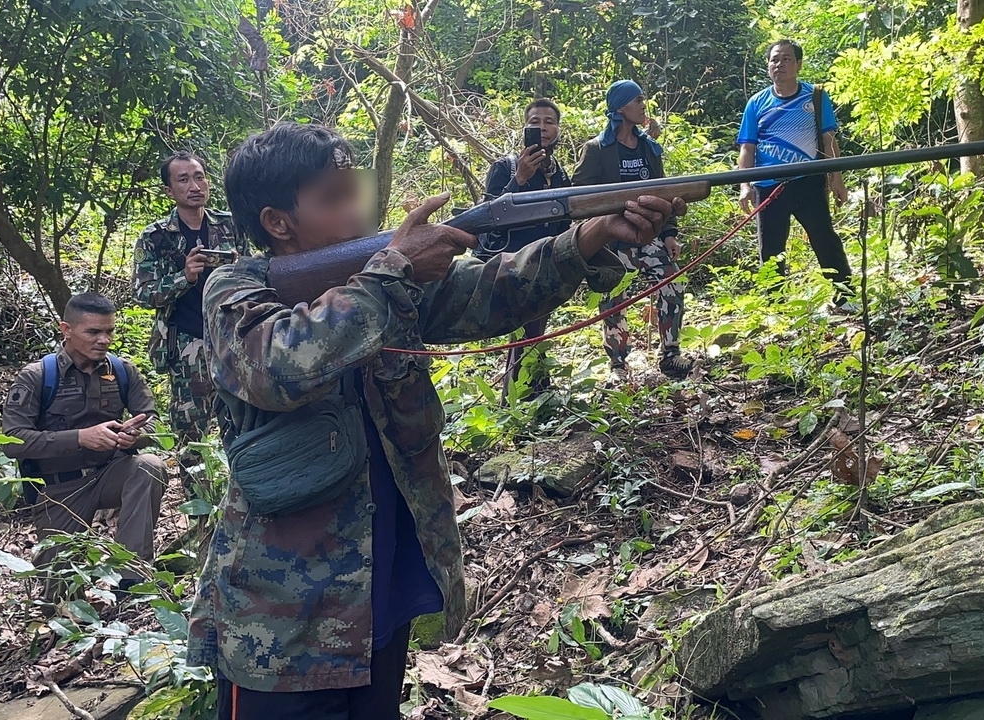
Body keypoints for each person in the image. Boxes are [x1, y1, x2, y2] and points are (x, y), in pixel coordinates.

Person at [187, 121, 683, 719]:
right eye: (335, 197)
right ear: (278, 223)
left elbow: (493, 292)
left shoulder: (389, 279)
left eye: (356, 190)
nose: (359, 209)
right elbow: (275, 365)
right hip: (283, 621)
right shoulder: (234, 288)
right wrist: (392, 271)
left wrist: (587, 238)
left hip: (382, 587)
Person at [1, 293, 165, 595]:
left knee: (150, 467)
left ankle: (132, 578)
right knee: (59, 593)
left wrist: (136, 435)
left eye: (109, 331)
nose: (104, 340)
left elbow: (151, 418)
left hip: (109, 474)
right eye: (93, 332)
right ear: (67, 330)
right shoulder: (38, 376)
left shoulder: (122, 371)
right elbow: (12, 442)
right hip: (59, 490)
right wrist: (79, 438)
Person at [132, 152, 244, 476]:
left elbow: (259, 271)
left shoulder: (229, 225)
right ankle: (199, 516)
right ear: (169, 190)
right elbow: (142, 293)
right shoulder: (155, 237)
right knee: (191, 433)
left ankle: (246, 508)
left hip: (233, 340)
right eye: (183, 179)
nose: (194, 185)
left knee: (242, 424)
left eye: (199, 176)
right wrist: (186, 276)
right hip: (187, 345)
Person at [575, 80, 694, 379]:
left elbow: (663, 194)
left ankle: (670, 355)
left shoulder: (649, 148)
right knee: (614, 299)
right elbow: (579, 197)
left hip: (649, 235)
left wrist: (669, 234)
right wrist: (593, 239)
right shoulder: (596, 149)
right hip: (612, 240)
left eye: (643, 98)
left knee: (673, 284)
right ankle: (617, 364)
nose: (643, 105)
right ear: (620, 107)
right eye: (637, 99)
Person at [738, 39, 852, 299]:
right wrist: (745, 186)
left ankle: (845, 297)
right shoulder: (756, 103)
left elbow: (828, 139)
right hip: (768, 185)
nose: (779, 64)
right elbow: (747, 147)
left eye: (786, 59)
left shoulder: (815, 97)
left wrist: (837, 180)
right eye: (774, 59)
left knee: (824, 239)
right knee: (771, 248)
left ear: (798, 64)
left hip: (808, 181)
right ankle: (775, 304)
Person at [478, 97, 571, 399]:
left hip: (548, 262)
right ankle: (517, 401)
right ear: (524, 128)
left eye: (549, 122)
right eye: (535, 122)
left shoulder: (559, 173)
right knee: (524, 333)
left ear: (558, 130)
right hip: (513, 264)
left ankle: (538, 393)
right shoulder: (504, 167)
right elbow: (488, 216)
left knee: (538, 330)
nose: (542, 128)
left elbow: (564, 220)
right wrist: (519, 179)